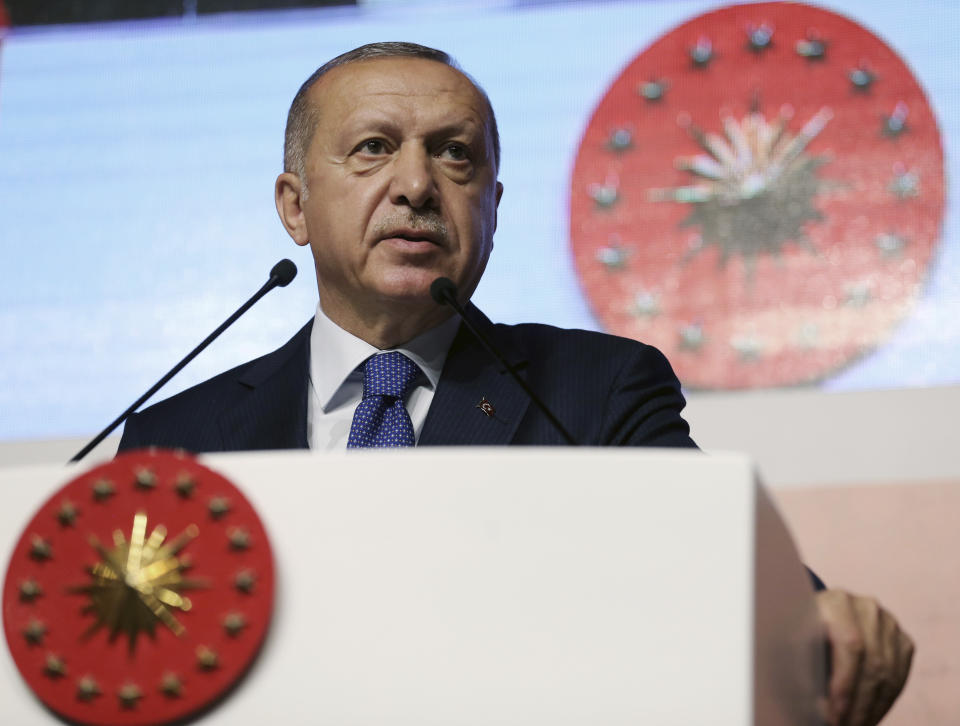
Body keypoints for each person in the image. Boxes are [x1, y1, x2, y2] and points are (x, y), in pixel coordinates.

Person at [118, 42, 913, 725]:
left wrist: (814, 617)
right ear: (294, 206)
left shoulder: (592, 392)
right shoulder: (178, 436)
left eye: (455, 153)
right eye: (373, 148)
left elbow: (716, 549)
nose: (418, 186)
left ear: (491, 205)